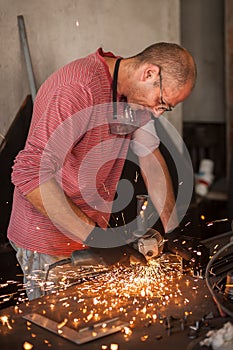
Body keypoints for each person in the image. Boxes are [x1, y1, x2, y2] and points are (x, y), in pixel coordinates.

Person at [7, 42, 207, 300]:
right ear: (149, 74)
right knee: (56, 330)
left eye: (165, 109)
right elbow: (29, 172)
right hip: (46, 241)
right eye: (161, 102)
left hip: (88, 232)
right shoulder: (78, 88)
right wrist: (98, 239)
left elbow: (149, 158)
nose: (157, 113)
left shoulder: (134, 100)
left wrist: (173, 229)